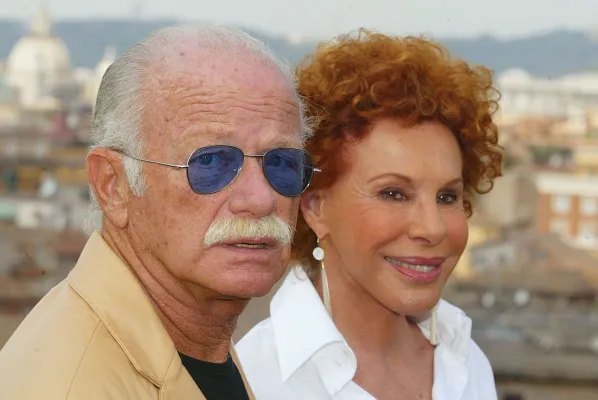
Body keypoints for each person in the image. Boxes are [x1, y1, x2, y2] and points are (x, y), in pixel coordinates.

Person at [0, 24, 318, 399]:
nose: (261, 198)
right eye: (211, 162)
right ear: (113, 186)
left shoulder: (195, 344)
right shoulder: (74, 386)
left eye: (281, 163)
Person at [237, 29, 503, 400]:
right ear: (314, 206)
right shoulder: (251, 382)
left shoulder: (466, 363)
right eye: (393, 193)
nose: (432, 228)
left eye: (447, 196)